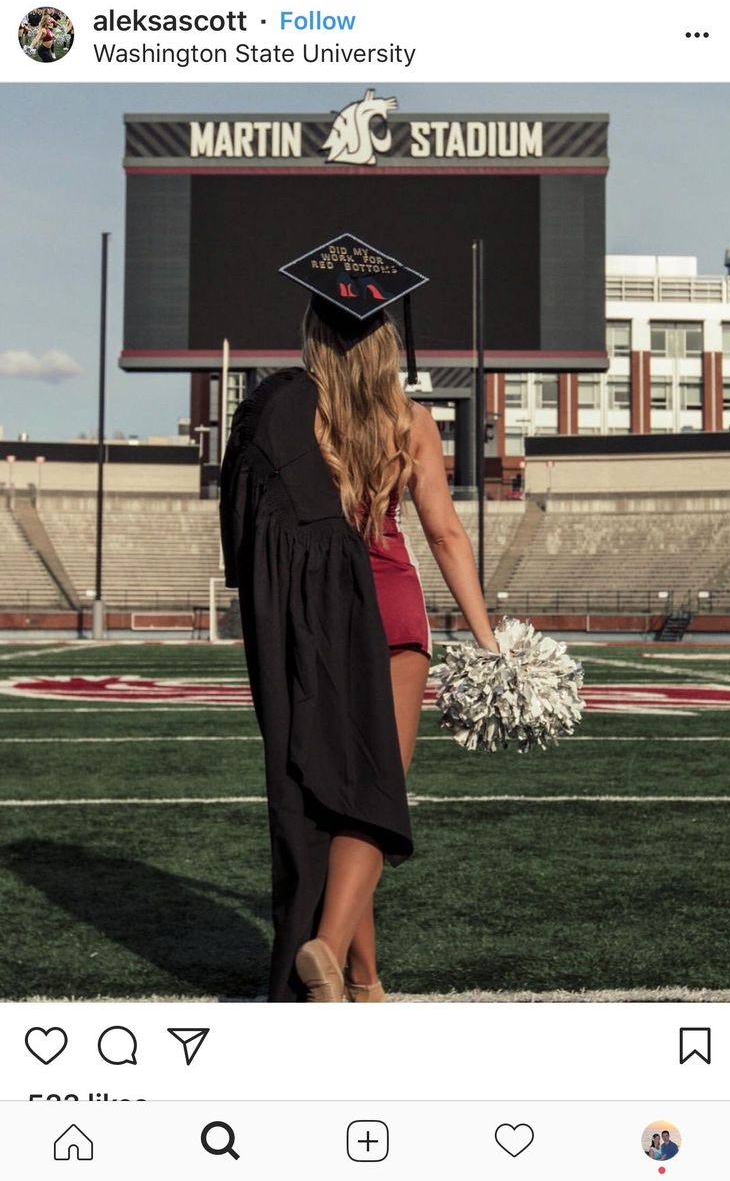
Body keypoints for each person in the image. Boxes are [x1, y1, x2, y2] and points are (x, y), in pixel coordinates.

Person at [219, 234, 500, 1002]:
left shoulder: (298, 415)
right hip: (392, 610)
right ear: (388, 342)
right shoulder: (409, 420)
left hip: (315, 617)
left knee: (340, 794)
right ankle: (330, 947)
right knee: (375, 799)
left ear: (317, 334)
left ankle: (364, 982)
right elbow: (443, 531)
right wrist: (486, 635)